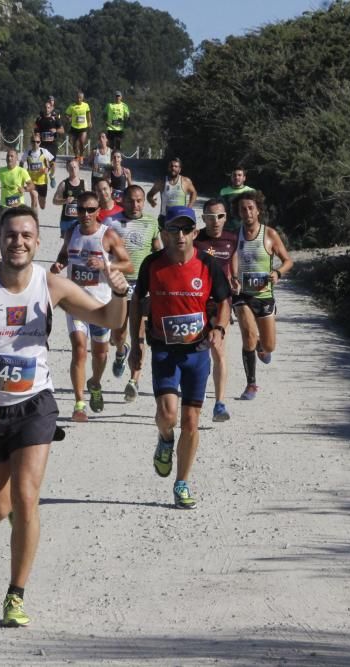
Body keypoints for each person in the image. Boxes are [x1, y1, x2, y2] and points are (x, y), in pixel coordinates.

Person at [0, 205, 130, 627]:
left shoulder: (51, 285)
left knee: (26, 497)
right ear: (0, 239)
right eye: (10, 235)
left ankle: (15, 594)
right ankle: (20, 528)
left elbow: (105, 320)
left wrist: (119, 294)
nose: (18, 242)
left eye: (26, 235)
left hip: (35, 404)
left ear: (37, 242)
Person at [128, 206, 230, 509]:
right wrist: (136, 343)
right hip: (164, 350)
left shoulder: (208, 265)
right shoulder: (152, 265)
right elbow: (136, 303)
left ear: (195, 233)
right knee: (168, 415)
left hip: (197, 352)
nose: (181, 235)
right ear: (164, 234)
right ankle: (165, 437)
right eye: (174, 230)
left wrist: (220, 328)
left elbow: (224, 300)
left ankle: (182, 482)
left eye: (186, 229)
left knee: (190, 420)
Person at [51, 192, 132, 421]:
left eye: (90, 210)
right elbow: (64, 256)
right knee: (78, 349)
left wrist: (105, 263)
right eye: (81, 209)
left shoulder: (108, 235)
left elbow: (127, 265)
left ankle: (95, 382)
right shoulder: (71, 232)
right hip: (75, 303)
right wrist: (59, 264)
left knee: (100, 353)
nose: (85, 214)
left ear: (98, 211)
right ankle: (79, 404)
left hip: (101, 305)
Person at [230, 191, 294, 401]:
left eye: (250, 208)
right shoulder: (235, 235)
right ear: (238, 212)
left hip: (264, 296)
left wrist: (277, 273)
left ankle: (261, 347)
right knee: (248, 337)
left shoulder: (270, 235)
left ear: (258, 210)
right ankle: (251, 384)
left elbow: (288, 261)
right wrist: (233, 277)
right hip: (242, 296)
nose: (247, 212)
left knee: (269, 346)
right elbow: (229, 257)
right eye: (242, 209)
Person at [105, 184, 161, 401]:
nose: (135, 205)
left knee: (140, 335)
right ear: (123, 202)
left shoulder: (151, 222)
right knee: (119, 334)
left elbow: (157, 251)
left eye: (139, 200)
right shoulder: (112, 223)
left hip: (142, 286)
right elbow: (103, 251)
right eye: (131, 201)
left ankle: (134, 379)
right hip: (119, 284)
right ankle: (120, 352)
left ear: (143, 202)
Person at [194, 199, 237, 422]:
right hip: (197, 302)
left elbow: (233, 265)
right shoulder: (195, 239)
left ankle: (219, 404)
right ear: (203, 218)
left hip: (221, 302)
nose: (216, 221)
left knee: (218, 349)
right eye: (211, 217)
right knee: (196, 351)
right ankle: (192, 395)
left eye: (220, 216)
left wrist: (235, 280)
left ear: (225, 217)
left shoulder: (232, 239)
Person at [147, 157, 198, 224]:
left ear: (179, 169)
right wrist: (152, 202)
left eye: (176, 166)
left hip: (180, 217)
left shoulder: (186, 181)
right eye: (171, 166)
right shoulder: (161, 182)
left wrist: (189, 207)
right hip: (164, 217)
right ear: (168, 168)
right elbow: (150, 195)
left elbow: (194, 192)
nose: (173, 168)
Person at [52, 157, 85, 239]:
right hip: (66, 220)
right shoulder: (63, 184)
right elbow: (54, 201)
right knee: (67, 245)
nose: (73, 169)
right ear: (67, 169)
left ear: (78, 168)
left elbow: (88, 201)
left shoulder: (84, 183)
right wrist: (64, 201)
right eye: (70, 167)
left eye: (75, 167)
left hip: (80, 220)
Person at [0, 148, 34, 212]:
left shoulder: (22, 171)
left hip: (18, 205)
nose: (9, 158)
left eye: (12, 156)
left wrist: (24, 189)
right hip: (4, 205)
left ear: (16, 158)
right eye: (8, 156)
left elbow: (31, 185)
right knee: (4, 222)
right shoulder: (0, 171)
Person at [20, 135, 55, 210]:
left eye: (37, 142)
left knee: (42, 206)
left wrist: (49, 171)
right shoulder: (27, 152)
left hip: (42, 182)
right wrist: (22, 175)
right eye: (33, 142)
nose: (35, 143)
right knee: (34, 199)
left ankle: (41, 199)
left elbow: (53, 163)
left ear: (40, 143)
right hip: (31, 181)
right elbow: (21, 163)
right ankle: (35, 220)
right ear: (31, 142)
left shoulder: (44, 152)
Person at [33, 101, 63, 183]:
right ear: (43, 108)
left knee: (52, 163)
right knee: (43, 162)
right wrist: (37, 134)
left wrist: (55, 130)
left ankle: (52, 176)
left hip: (52, 145)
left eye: (48, 107)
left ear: (51, 108)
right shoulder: (39, 119)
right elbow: (35, 129)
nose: (47, 109)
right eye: (45, 107)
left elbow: (62, 130)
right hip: (42, 144)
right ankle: (39, 177)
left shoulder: (55, 119)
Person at [219, 165, 255, 232]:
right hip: (228, 228)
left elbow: (255, 212)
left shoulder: (251, 191)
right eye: (234, 175)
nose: (236, 177)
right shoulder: (224, 191)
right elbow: (220, 211)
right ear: (231, 177)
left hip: (246, 228)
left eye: (239, 175)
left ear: (244, 178)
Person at [65, 90, 92, 163]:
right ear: (75, 98)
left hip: (83, 127)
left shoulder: (86, 105)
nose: (78, 99)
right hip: (74, 127)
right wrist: (68, 118)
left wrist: (89, 121)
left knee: (82, 142)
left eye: (80, 98)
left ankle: (81, 156)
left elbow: (88, 114)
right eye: (77, 98)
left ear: (82, 98)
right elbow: (66, 114)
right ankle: (76, 156)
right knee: (74, 144)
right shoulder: (72, 106)